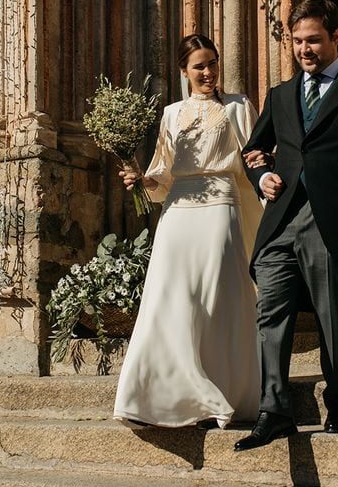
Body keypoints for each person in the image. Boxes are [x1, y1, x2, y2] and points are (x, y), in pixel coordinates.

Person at [234, 0, 338, 451]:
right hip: (280, 221)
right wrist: (261, 174)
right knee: (270, 313)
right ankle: (274, 410)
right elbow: (253, 148)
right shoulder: (280, 95)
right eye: (296, 42)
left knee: (334, 315)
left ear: (336, 38)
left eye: (312, 40)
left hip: (333, 221)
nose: (304, 50)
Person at [113, 33, 265, 429]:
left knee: (215, 299)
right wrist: (140, 179)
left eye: (212, 63)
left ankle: (221, 392)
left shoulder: (237, 107)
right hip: (177, 212)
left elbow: (254, 161)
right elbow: (161, 175)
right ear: (184, 71)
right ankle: (153, 397)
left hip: (221, 209)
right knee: (170, 298)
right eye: (199, 65)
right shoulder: (170, 114)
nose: (208, 72)